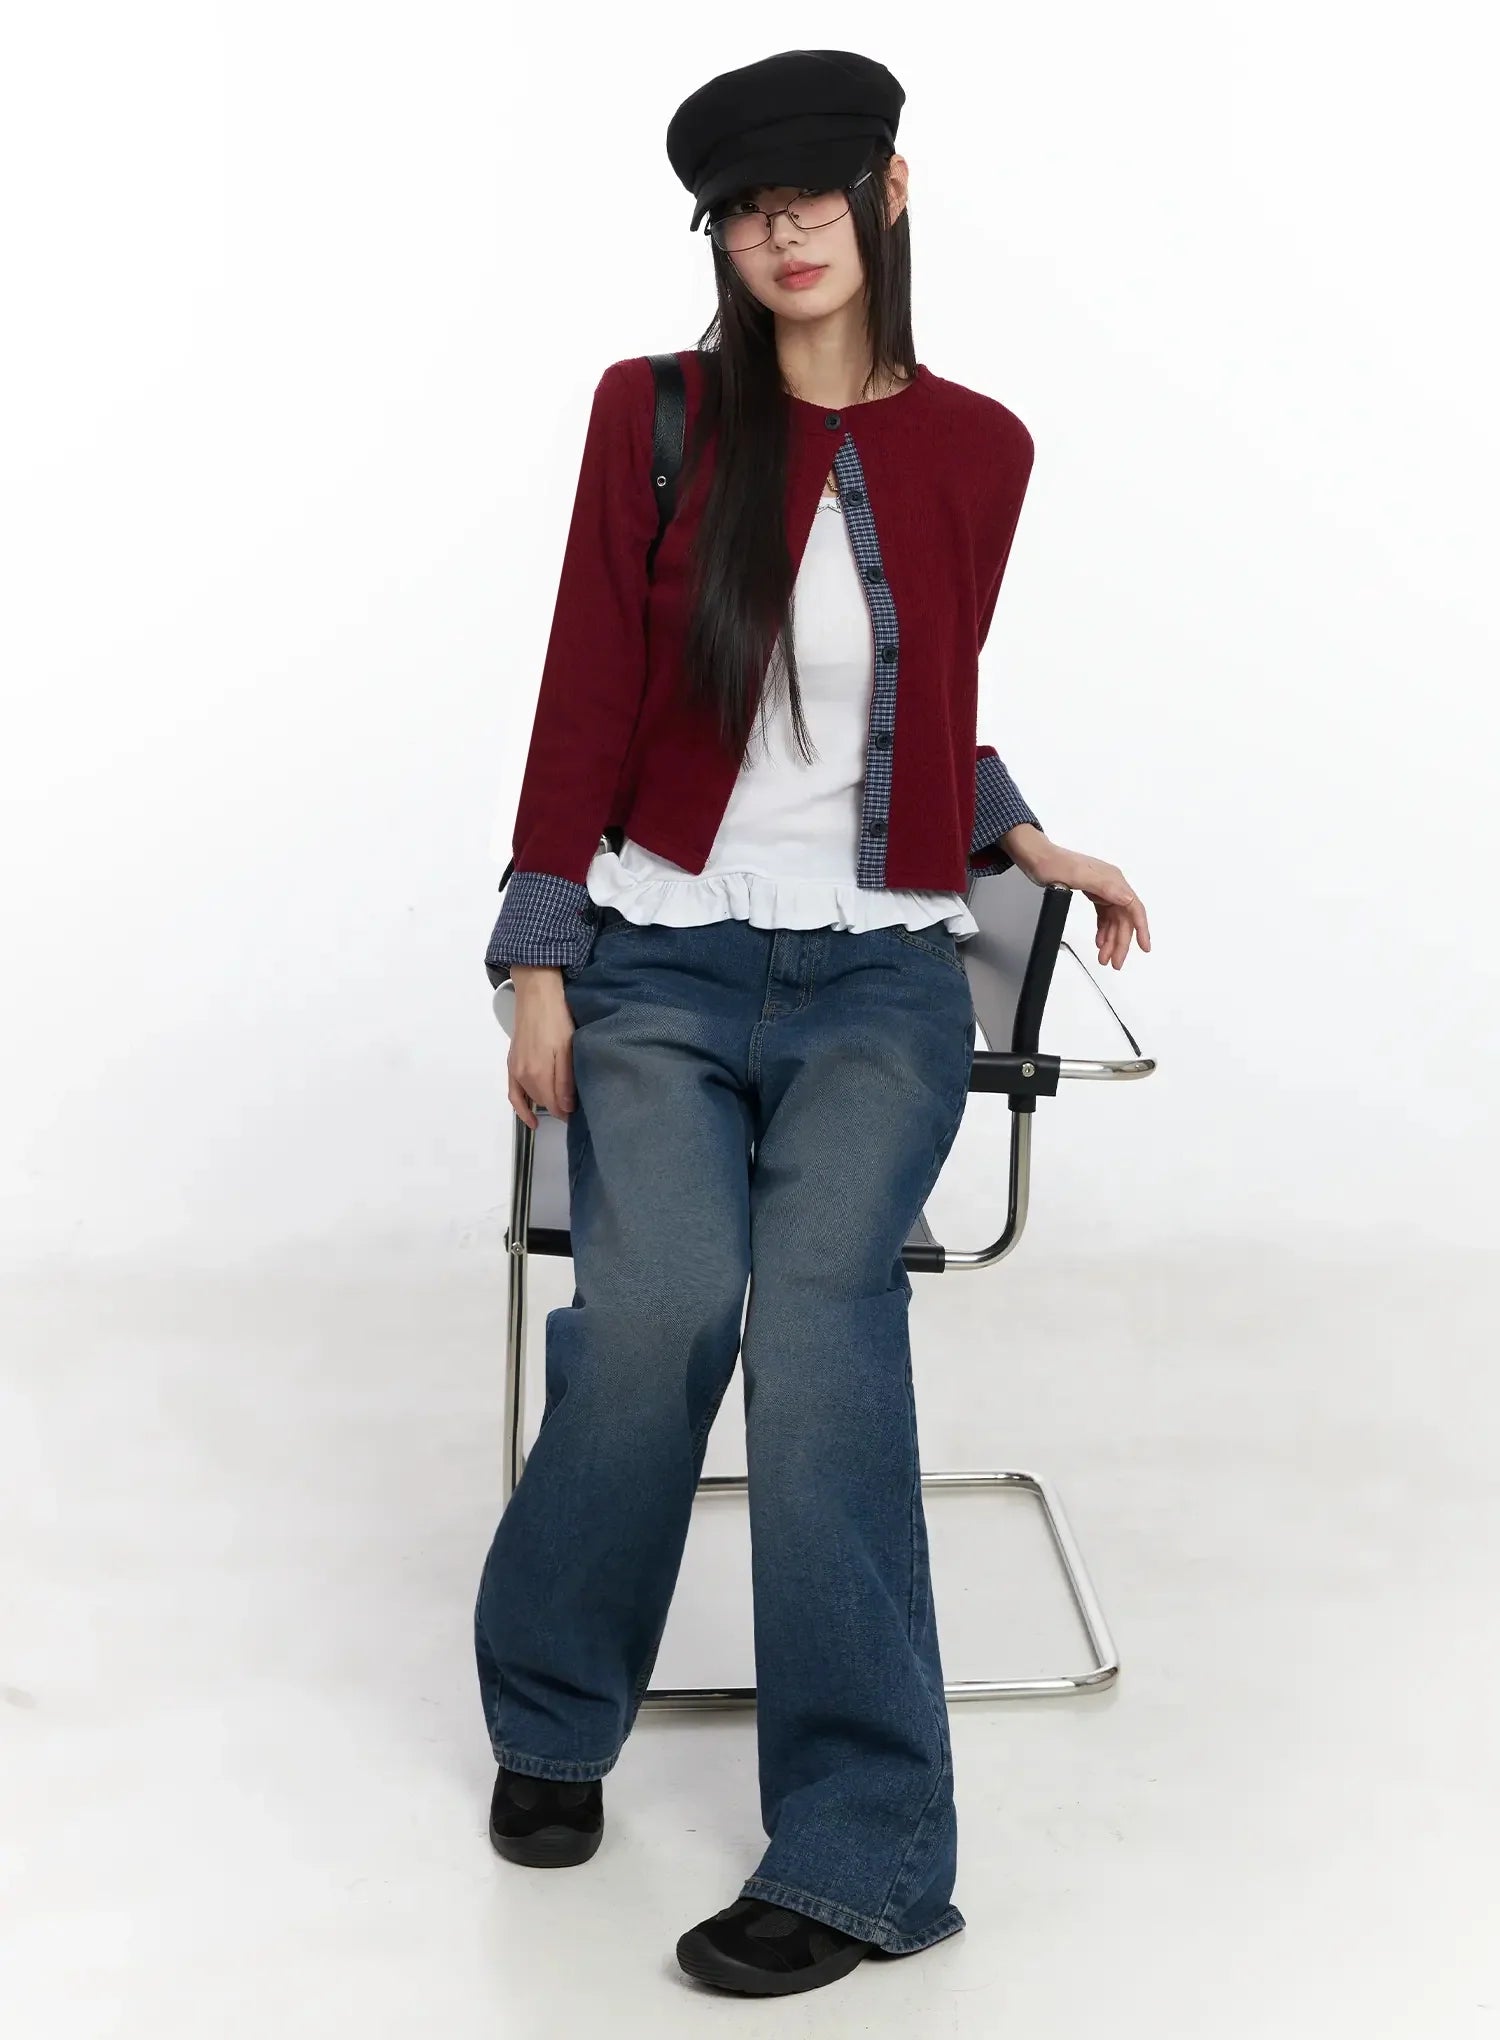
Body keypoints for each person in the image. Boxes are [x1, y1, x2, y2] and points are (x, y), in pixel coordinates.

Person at [473, 47, 1150, 1999]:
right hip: (662, 964)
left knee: (827, 1325)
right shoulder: (657, 416)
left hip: (877, 982)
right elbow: (591, 684)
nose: (782, 234)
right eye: (744, 210)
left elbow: (917, 709)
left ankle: (865, 1853)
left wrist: (1022, 834)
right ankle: (555, 1708)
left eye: (814, 196)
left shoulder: (981, 449)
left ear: (888, 195)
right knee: (660, 1311)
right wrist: (538, 952)